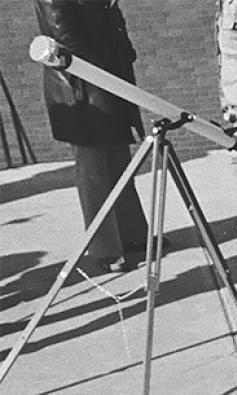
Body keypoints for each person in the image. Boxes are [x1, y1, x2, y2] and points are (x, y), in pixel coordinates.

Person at [35, 0, 148, 276]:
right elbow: (65, 36)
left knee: (119, 163)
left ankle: (133, 236)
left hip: (107, 82)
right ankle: (105, 249)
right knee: (94, 171)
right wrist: (105, 70)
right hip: (83, 88)